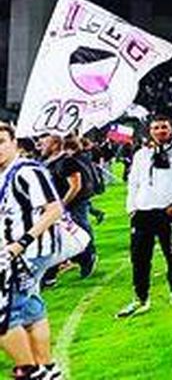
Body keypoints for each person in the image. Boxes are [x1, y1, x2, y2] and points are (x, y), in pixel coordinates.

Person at [0, 123, 65, 380]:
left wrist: (22, 242)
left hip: (28, 252)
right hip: (15, 253)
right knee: (30, 309)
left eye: (2, 141)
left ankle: (32, 372)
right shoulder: (4, 173)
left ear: (15, 142)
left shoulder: (27, 171)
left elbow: (55, 209)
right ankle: (48, 368)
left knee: (5, 314)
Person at [117, 114, 172, 318]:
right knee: (139, 258)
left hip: (168, 212)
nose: (160, 131)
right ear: (150, 131)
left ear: (170, 130)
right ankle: (140, 298)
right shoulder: (141, 155)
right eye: (156, 128)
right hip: (142, 213)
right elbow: (133, 183)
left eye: (164, 127)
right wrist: (132, 208)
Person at [39, 134, 96, 281]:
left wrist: (62, 205)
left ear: (55, 144)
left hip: (73, 204)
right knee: (54, 237)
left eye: (45, 142)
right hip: (54, 206)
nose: (40, 145)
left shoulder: (67, 162)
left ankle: (87, 258)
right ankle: (50, 274)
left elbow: (75, 186)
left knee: (76, 233)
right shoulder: (46, 162)